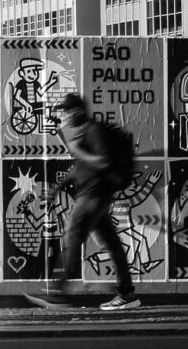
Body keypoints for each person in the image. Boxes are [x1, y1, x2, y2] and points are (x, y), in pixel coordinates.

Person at [26, 93, 140, 311]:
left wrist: (78, 150)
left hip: (93, 197)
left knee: (72, 238)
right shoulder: (86, 133)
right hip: (95, 197)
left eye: (67, 112)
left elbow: (103, 161)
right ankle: (127, 294)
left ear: (77, 111)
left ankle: (57, 293)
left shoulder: (94, 130)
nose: (65, 117)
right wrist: (57, 188)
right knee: (113, 245)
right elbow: (81, 167)